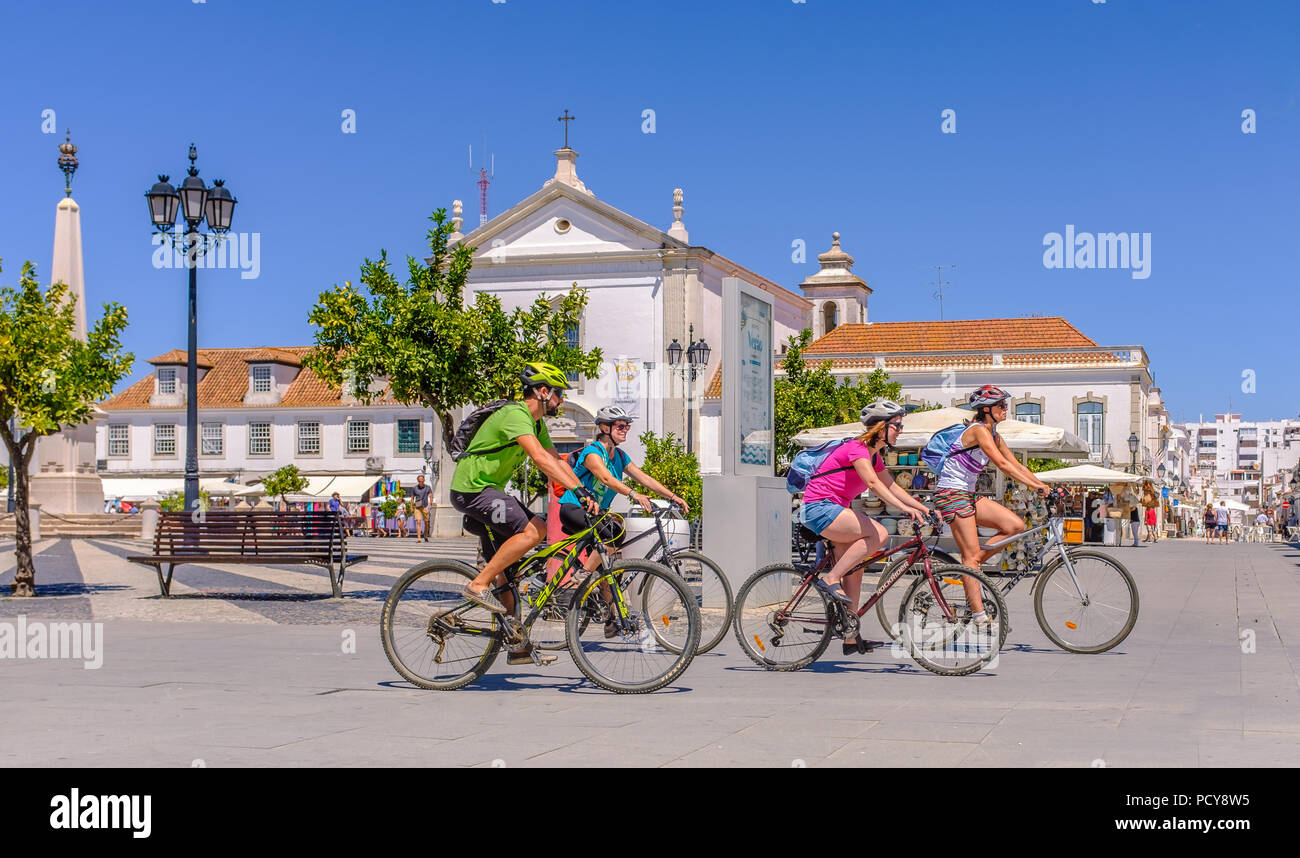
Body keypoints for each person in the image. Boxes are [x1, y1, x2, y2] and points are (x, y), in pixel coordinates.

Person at [451, 361, 599, 665]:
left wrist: (582, 485)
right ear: (543, 392)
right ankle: (476, 584)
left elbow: (556, 460)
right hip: (472, 490)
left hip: (488, 492)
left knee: (508, 579)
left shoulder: (536, 424)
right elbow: (539, 459)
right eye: (559, 394)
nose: (561, 400)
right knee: (537, 530)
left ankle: (516, 645)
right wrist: (579, 491)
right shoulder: (516, 415)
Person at [800, 400, 930, 655]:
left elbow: (891, 486)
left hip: (836, 510)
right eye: (897, 425)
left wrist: (922, 507)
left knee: (856, 569)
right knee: (879, 533)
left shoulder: (875, 456)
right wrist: (906, 510)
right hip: (819, 508)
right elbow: (872, 483)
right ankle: (831, 578)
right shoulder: (856, 448)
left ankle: (850, 636)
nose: (900, 430)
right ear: (881, 427)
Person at [555, 405, 691, 636]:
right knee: (610, 534)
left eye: (627, 426)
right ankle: (581, 578)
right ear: (605, 427)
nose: (625, 430)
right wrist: (633, 494)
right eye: (620, 426)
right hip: (574, 508)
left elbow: (643, 477)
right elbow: (606, 478)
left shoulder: (619, 456)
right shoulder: (592, 453)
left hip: (595, 515)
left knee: (610, 564)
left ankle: (611, 618)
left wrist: (672, 496)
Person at [933, 385, 1050, 627]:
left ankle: (970, 568)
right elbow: (1002, 466)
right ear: (986, 409)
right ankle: (977, 614)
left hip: (968, 494)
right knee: (972, 557)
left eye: (1005, 405)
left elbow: (1016, 465)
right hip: (952, 493)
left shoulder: (994, 434)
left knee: (1014, 525)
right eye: (1001, 406)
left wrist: (1043, 485)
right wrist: (1035, 488)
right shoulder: (978, 431)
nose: (1005, 409)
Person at [410, 474, 432, 542]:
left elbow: (431, 495)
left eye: (422, 481)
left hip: (425, 506)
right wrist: (411, 506)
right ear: (418, 481)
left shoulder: (428, 487)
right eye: (419, 481)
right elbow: (412, 498)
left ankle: (425, 535)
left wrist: (430, 504)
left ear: (424, 480)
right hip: (417, 507)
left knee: (426, 523)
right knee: (418, 521)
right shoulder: (414, 488)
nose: (420, 482)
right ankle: (419, 538)